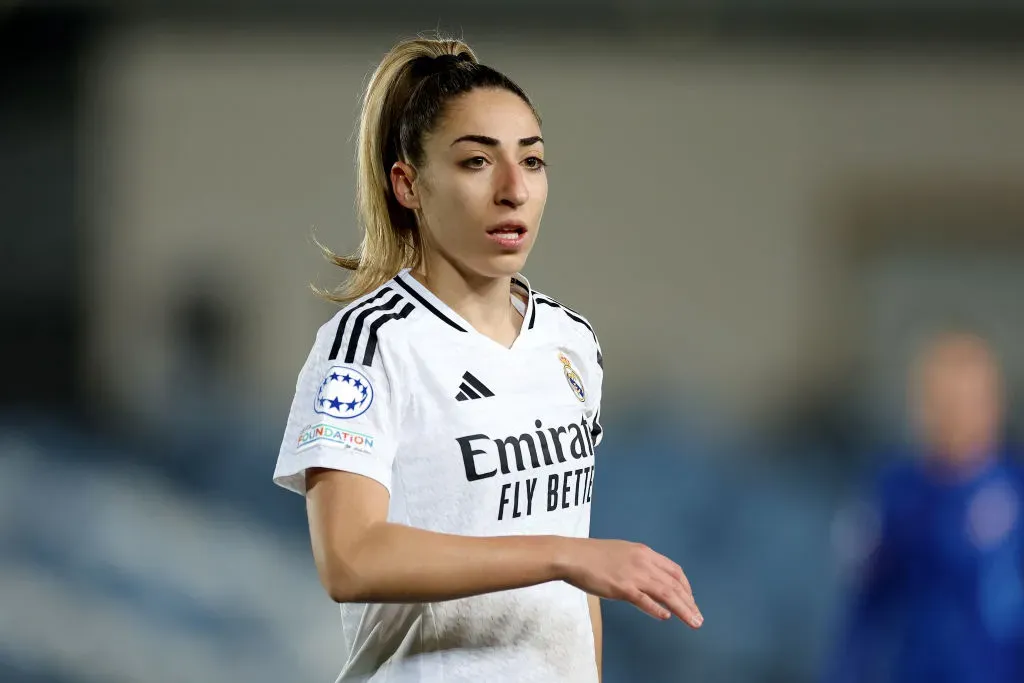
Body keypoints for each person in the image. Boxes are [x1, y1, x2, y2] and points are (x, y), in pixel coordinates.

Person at [272, 37, 702, 683]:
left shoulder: (570, 341)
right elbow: (351, 559)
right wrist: (564, 556)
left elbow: (573, 569)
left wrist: (574, 573)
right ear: (408, 185)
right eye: (476, 161)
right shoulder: (370, 344)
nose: (513, 189)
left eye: (532, 161)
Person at [825, 331, 1024, 683]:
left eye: (966, 401)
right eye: (941, 401)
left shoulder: (1015, 493)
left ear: (993, 405)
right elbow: (864, 611)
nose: (954, 416)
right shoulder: (895, 494)